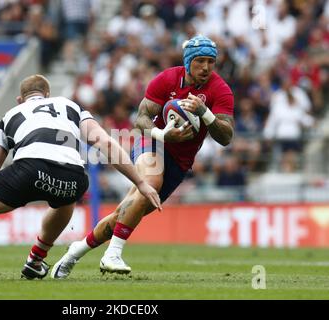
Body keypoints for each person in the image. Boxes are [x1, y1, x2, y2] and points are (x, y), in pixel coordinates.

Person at [0, 74, 161, 281]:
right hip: (74, 177)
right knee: (65, 201)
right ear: (47, 94)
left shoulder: (11, 115)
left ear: (20, 99)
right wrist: (140, 183)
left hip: (28, 170)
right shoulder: (70, 106)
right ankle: (35, 261)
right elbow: (105, 142)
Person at [51, 35, 235, 278]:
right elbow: (141, 119)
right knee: (151, 184)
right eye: (200, 61)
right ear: (189, 61)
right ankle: (112, 255)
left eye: (211, 62)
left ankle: (74, 252)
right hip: (152, 141)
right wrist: (162, 134)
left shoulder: (220, 90)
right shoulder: (167, 79)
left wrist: (205, 113)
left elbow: (226, 136)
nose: (206, 67)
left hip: (179, 163)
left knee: (124, 214)